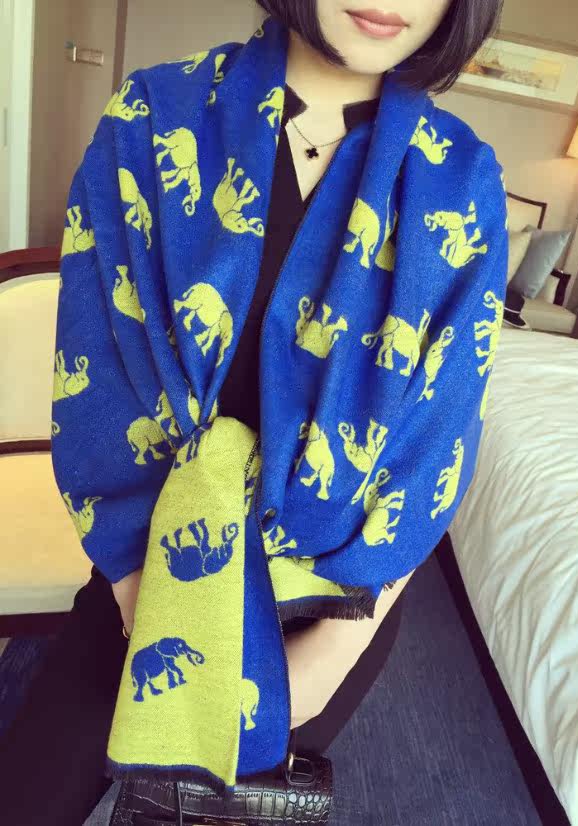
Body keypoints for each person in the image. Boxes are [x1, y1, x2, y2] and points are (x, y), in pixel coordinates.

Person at [0, 1, 504, 823]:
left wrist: (333, 653)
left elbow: (434, 444)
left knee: (215, 810)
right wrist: (143, 597)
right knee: (31, 793)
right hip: (155, 550)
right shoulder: (153, 116)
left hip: (331, 590)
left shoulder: (459, 180)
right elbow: (95, 369)